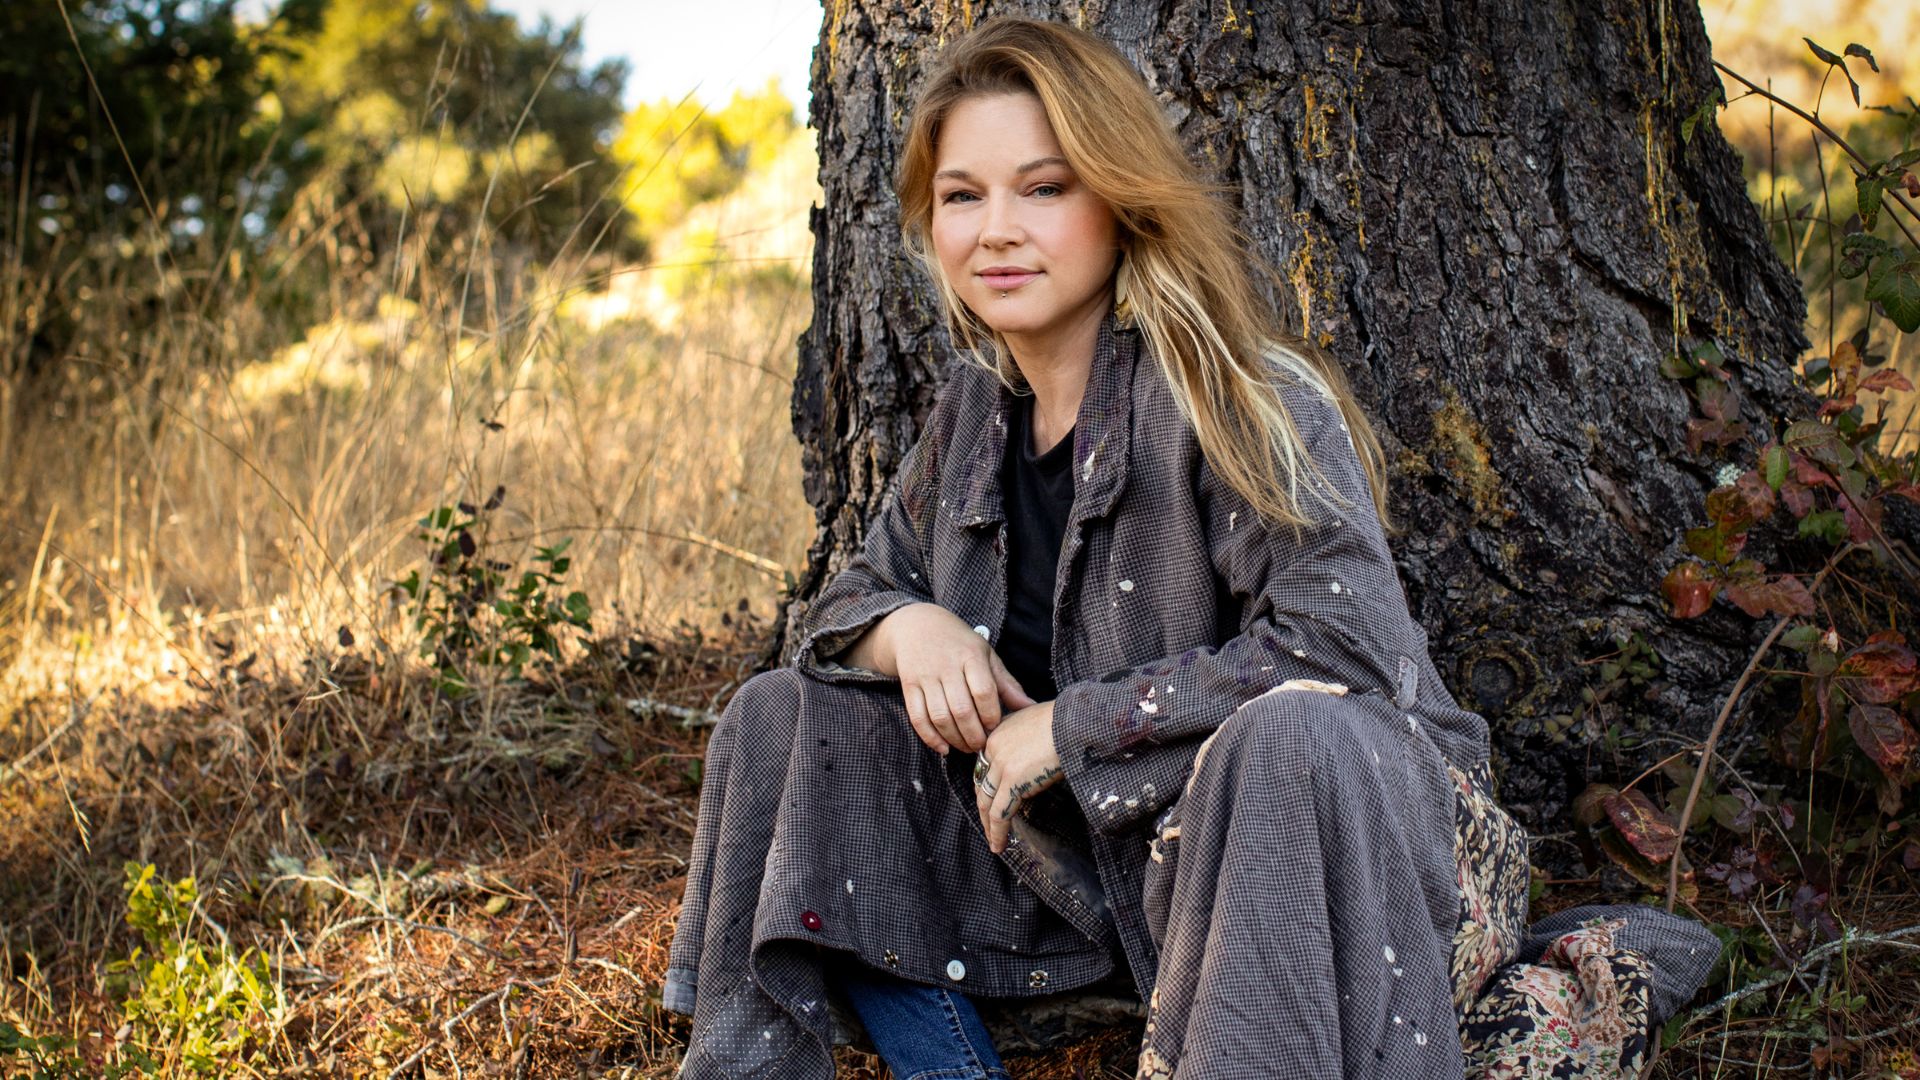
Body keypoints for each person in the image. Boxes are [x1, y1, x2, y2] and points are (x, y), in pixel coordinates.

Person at [665, 16, 1718, 1079]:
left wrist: (1071, 730)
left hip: (1350, 856)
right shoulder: (972, 415)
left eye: (1044, 187)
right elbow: (847, 600)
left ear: (1119, 200)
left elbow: (1345, 652)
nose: (996, 231)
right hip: (1103, 896)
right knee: (779, 717)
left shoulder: (1236, 396)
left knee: (1284, 742)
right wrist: (910, 627)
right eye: (962, 196)